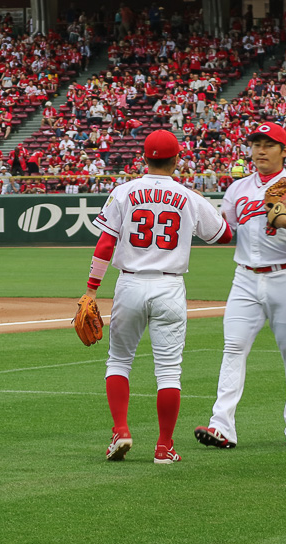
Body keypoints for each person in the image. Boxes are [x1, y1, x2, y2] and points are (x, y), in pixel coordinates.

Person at [84, 130, 233, 464]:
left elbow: (106, 245)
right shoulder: (188, 196)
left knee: (119, 361)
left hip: (130, 284)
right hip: (169, 286)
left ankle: (120, 430)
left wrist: (92, 289)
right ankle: (164, 447)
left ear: (143, 157)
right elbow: (223, 236)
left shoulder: (123, 192)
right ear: (177, 159)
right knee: (168, 372)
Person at [194, 122, 286, 449]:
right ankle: (222, 427)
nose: (260, 150)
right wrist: (201, 208)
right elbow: (224, 232)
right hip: (244, 278)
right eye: (256, 143)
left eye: (268, 144)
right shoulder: (237, 189)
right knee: (233, 348)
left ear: (285, 151)